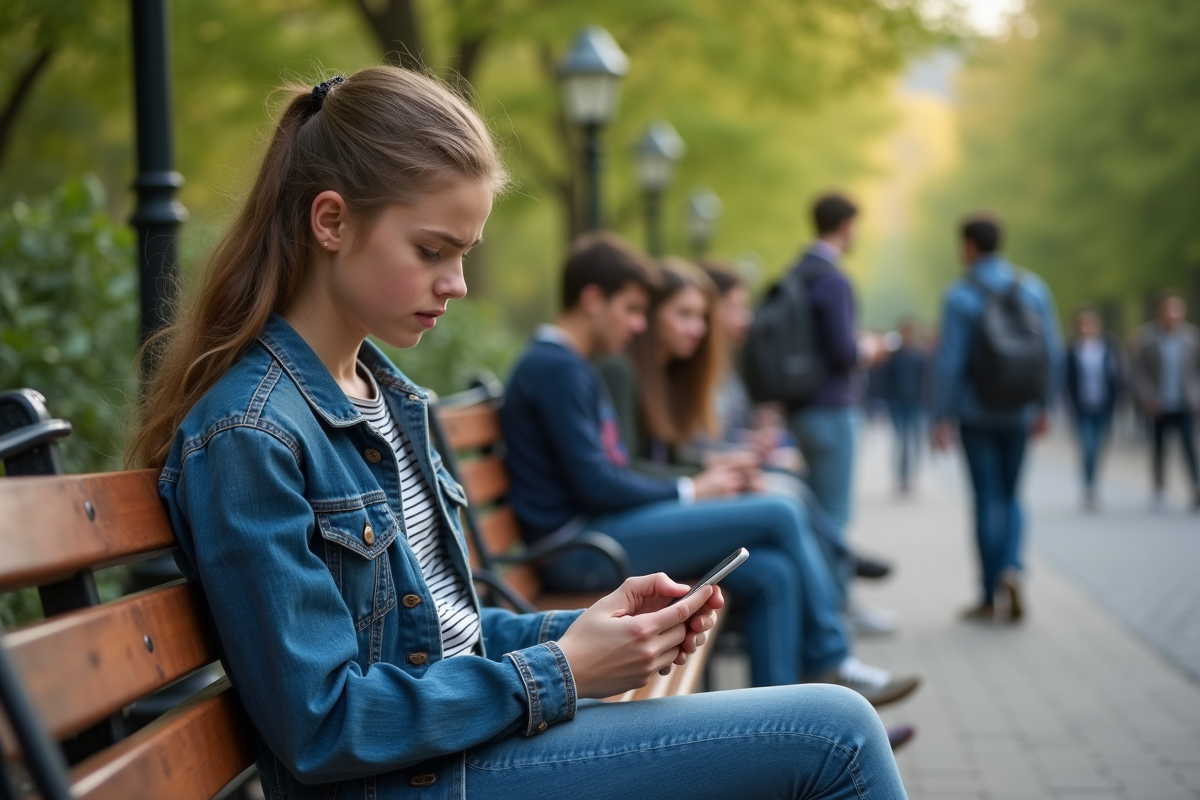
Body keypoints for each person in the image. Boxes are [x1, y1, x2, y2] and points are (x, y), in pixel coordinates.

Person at [131, 68, 908, 799]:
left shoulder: (382, 396)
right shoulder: (250, 433)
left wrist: (589, 628)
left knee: (826, 729)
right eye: (432, 251)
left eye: (462, 255)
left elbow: (443, 635)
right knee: (836, 735)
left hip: (462, 749)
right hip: (416, 779)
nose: (457, 284)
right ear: (331, 221)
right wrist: (563, 669)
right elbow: (325, 722)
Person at [501, 233, 920, 707]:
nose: (639, 325)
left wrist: (700, 481)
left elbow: (605, 472)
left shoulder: (567, 365)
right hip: (581, 548)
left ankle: (790, 728)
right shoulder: (555, 367)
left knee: (773, 572)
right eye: (632, 309)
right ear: (594, 299)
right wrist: (691, 490)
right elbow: (597, 482)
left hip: (601, 532)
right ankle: (830, 658)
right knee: (779, 511)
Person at [930, 213, 1062, 623]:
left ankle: (988, 596)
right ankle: (1013, 568)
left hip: (976, 411)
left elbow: (950, 361)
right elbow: (1052, 353)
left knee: (985, 498)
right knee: (1012, 495)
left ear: (968, 246)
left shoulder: (959, 295)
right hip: (1020, 408)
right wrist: (1045, 405)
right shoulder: (1033, 287)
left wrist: (940, 415)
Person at [785, 192, 894, 635]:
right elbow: (844, 351)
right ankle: (838, 610)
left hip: (801, 409)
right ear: (847, 225)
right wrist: (873, 347)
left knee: (818, 516)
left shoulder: (797, 272)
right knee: (834, 519)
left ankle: (830, 606)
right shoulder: (833, 279)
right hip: (832, 408)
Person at [1128, 290, 1200, 510]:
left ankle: (1195, 487)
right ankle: (1159, 488)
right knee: (1159, 448)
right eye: (1169, 309)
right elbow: (1137, 372)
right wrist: (1147, 398)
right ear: (1161, 312)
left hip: (1184, 403)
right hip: (1158, 404)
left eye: (1177, 309)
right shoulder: (1147, 339)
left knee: (1189, 447)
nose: (1173, 314)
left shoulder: (1192, 338)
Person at [1064, 307, 1123, 509]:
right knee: (1087, 447)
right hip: (1081, 408)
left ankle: (1094, 484)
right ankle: (1089, 486)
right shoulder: (1071, 351)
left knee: (1099, 447)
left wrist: (1117, 401)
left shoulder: (1108, 347)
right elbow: (1066, 381)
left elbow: (1116, 377)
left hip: (1103, 405)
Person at [878, 319, 928, 495]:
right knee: (901, 441)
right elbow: (886, 381)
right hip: (898, 403)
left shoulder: (920, 357)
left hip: (915, 403)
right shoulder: (894, 358)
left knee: (914, 442)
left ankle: (911, 477)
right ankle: (902, 478)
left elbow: (926, 382)